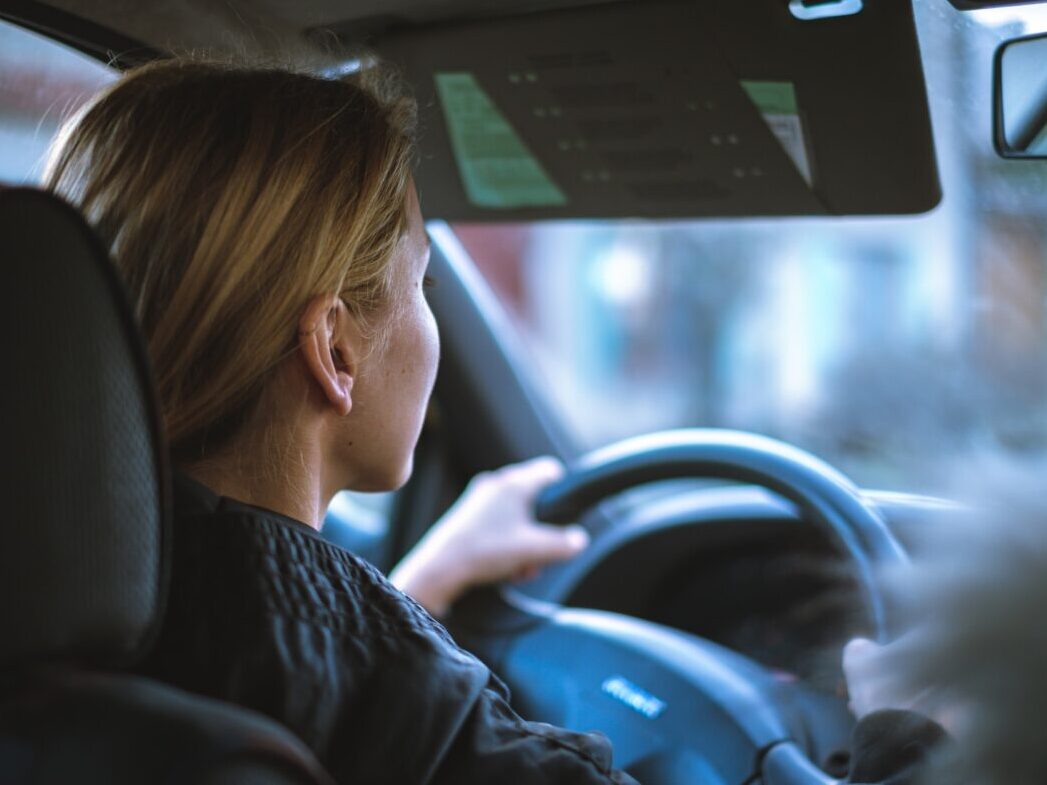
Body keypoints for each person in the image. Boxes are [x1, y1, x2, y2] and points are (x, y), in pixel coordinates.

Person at [45, 58, 942, 784]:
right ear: (336, 351)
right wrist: (907, 736)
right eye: (420, 284)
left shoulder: (62, 601)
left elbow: (286, 650)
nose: (428, 319)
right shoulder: (400, 704)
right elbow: (349, 681)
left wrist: (415, 588)